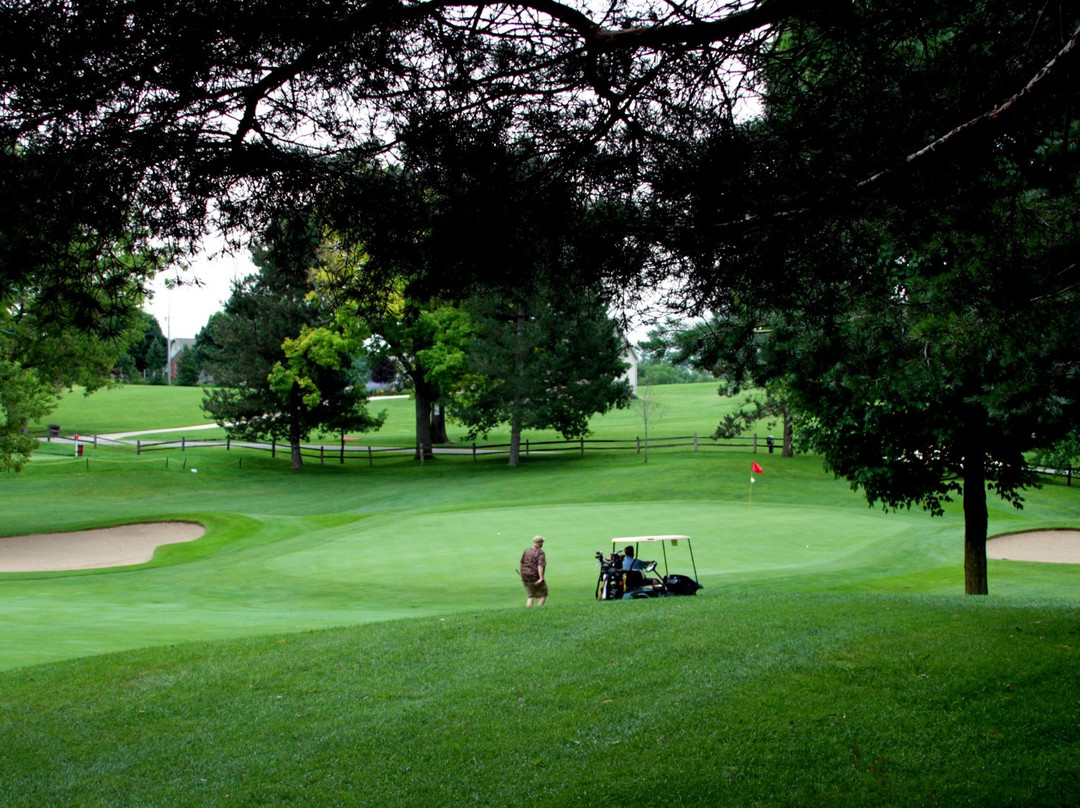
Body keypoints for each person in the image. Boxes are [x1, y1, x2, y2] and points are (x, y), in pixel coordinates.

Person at [519, 535, 547, 606]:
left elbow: (521, 563)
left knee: (530, 595)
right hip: (535, 577)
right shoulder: (540, 553)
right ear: (539, 542)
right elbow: (540, 565)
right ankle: (539, 610)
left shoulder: (526, 551)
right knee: (543, 594)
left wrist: (522, 574)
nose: (542, 543)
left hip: (525, 576)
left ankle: (529, 611)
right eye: (542, 542)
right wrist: (541, 578)